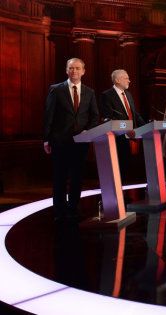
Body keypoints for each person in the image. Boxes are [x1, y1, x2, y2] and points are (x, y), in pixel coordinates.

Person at [43, 57, 99, 222]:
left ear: (83, 71)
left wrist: (88, 131)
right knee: (60, 176)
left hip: (81, 142)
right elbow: (48, 116)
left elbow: (94, 116)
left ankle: (73, 207)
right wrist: (46, 139)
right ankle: (59, 211)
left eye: (77, 68)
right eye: (71, 68)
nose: (74, 71)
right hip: (59, 141)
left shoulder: (90, 92)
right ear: (66, 70)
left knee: (77, 176)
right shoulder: (56, 89)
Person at [99, 69, 146, 182]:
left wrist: (146, 127)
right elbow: (108, 118)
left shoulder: (128, 95)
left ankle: (125, 194)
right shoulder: (107, 95)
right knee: (118, 169)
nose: (129, 80)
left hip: (132, 138)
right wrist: (126, 129)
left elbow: (134, 114)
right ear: (117, 80)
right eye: (126, 78)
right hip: (117, 139)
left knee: (127, 170)